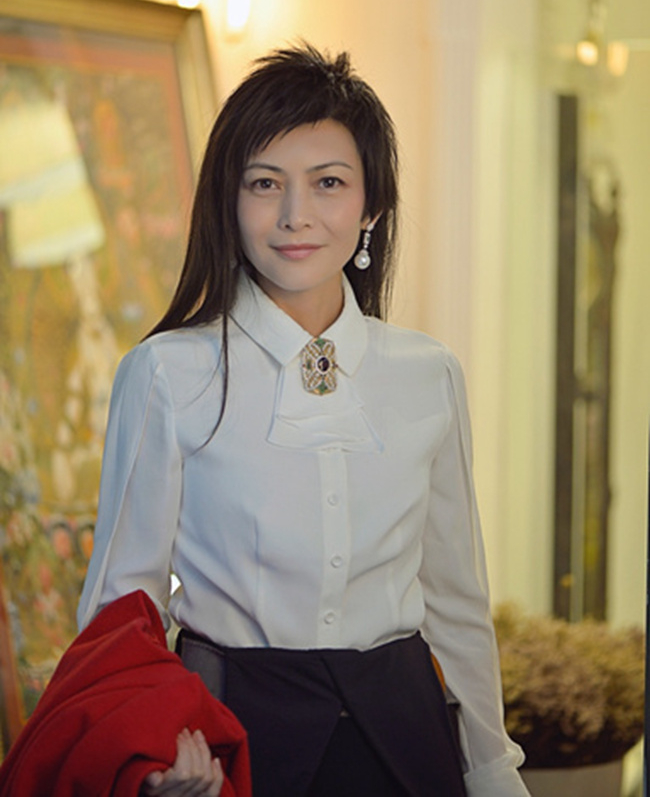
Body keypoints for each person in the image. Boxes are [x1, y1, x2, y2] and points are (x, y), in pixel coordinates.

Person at [78, 43, 531, 797]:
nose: (296, 215)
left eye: (328, 183)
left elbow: (457, 603)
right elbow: (121, 608)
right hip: (230, 740)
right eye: (265, 183)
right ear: (229, 199)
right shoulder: (166, 373)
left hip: (408, 745)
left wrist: (491, 769)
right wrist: (150, 755)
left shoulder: (428, 374)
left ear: (371, 206)